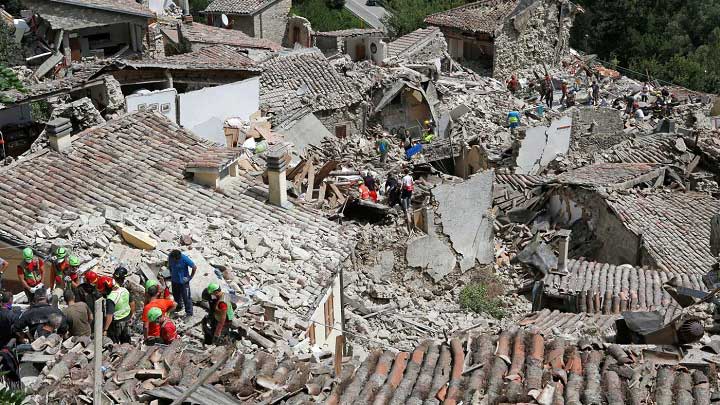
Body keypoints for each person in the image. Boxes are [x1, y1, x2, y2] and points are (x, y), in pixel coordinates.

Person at [102, 268, 135, 343]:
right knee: (125, 339)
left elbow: (109, 315)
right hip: (126, 318)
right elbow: (132, 303)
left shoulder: (111, 298)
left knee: (115, 341)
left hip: (117, 322)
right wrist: (132, 315)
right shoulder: (124, 290)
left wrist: (105, 330)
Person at [168, 250, 196, 318]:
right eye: (175, 259)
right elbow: (169, 266)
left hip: (184, 282)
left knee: (186, 297)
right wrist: (171, 274)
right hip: (174, 281)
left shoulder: (184, 258)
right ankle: (179, 307)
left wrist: (190, 277)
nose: (176, 261)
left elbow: (194, 267)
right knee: (176, 295)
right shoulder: (170, 257)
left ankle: (189, 313)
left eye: (177, 260)